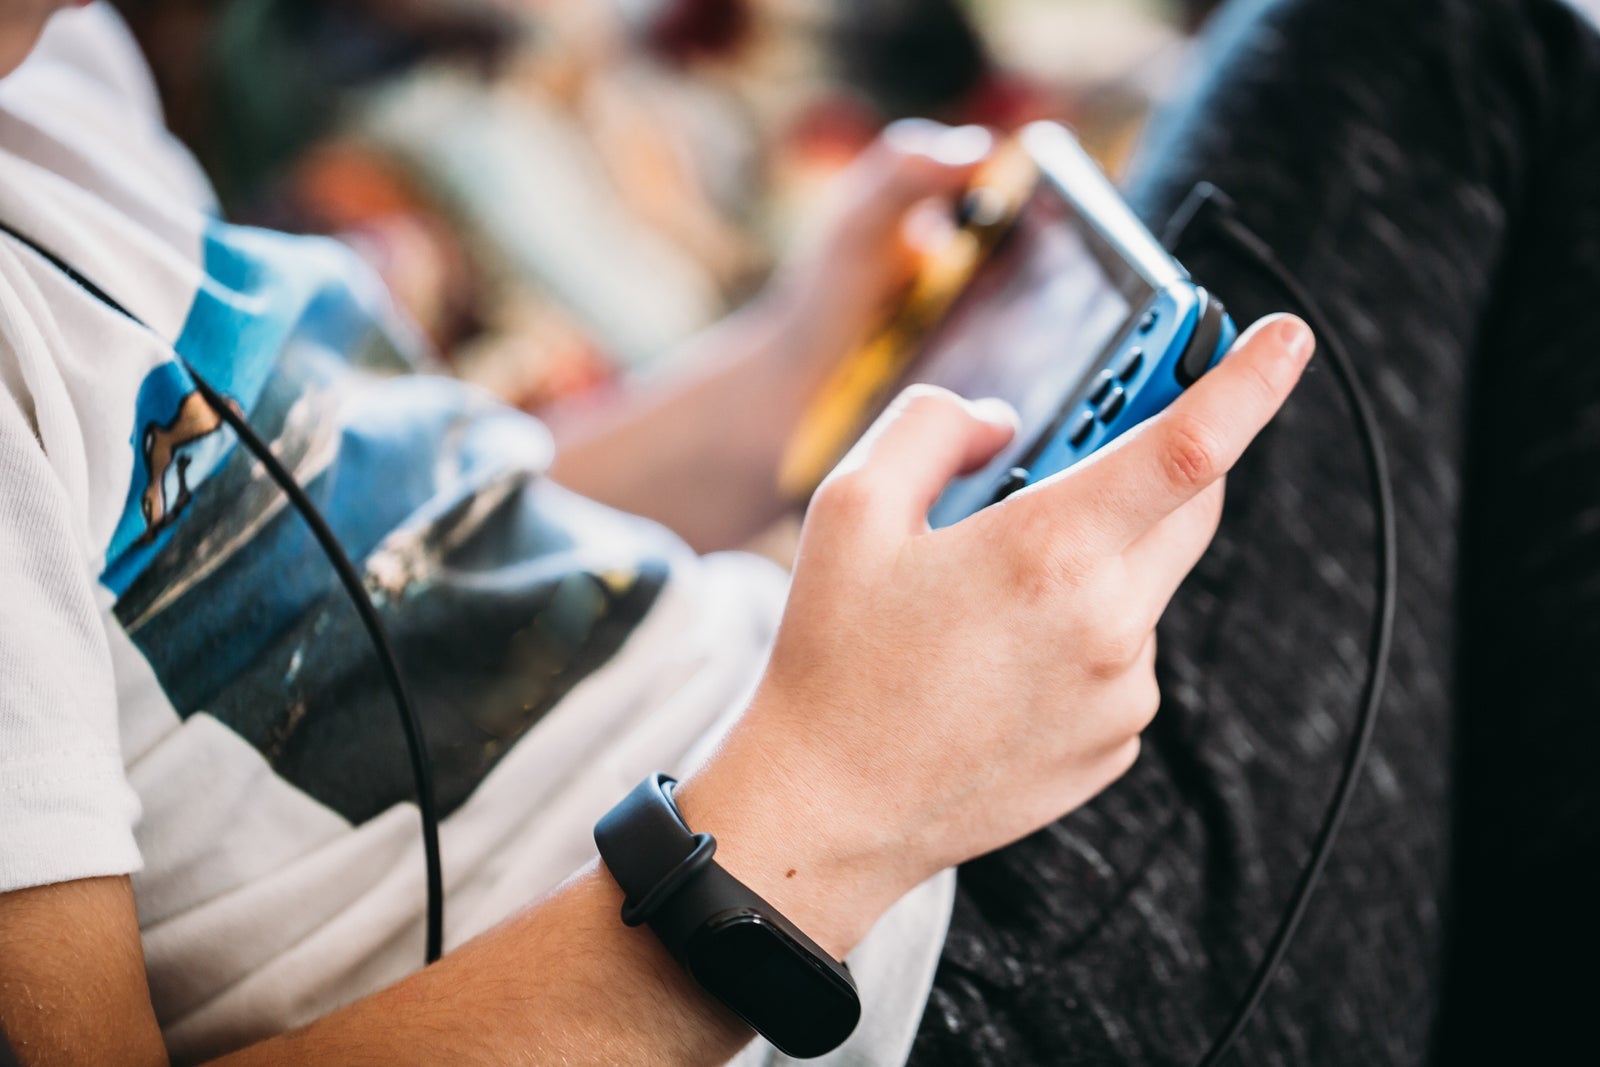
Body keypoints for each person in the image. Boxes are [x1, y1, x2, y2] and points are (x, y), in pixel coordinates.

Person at [0, 3, 1594, 1067]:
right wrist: (826, 809)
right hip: (862, 987)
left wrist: (768, 383)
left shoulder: (56, 69)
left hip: (826, 798)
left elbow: (379, 544)